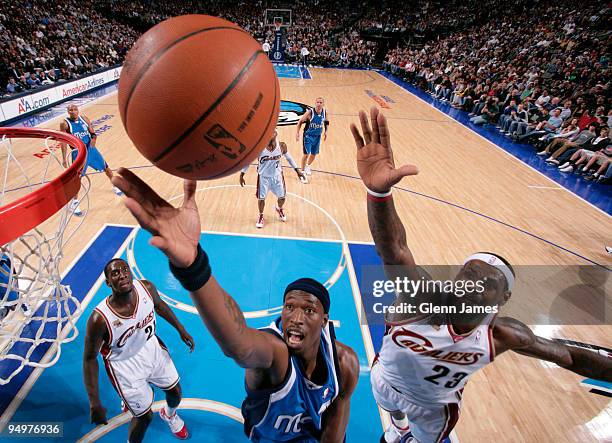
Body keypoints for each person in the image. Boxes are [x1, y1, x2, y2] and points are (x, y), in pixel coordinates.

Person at [350, 107, 612, 443]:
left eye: (489, 283)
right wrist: (379, 194)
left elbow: (571, 356)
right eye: (469, 275)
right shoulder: (423, 301)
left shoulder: (504, 335)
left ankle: (404, 434)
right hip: (386, 378)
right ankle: (398, 424)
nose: (473, 286)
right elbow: (394, 249)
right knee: (390, 408)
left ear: (503, 299)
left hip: (434, 408)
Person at [111, 169, 359, 442]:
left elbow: (336, 427)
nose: (295, 317)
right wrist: (194, 268)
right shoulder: (274, 353)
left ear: (325, 321)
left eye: (309, 310)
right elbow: (239, 343)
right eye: (289, 307)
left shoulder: (344, 363)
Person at [83, 259, 195, 442]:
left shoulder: (146, 288)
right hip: (124, 366)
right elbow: (89, 359)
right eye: (115, 273)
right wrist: (94, 402)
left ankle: (169, 415)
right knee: (144, 417)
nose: (122, 274)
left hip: (151, 349)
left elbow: (159, 306)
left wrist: (180, 329)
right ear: (108, 282)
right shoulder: (99, 319)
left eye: (125, 269)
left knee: (175, 392)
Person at [60, 104, 122, 216]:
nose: (73, 111)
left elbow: (93, 133)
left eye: (75, 109)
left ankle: (115, 185)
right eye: (71, 110)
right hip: (78, 153)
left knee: (106, 168)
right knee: (77, 179)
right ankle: (74, 202)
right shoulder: (64, 124)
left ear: (78, 110)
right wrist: (64, 158)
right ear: (68, 112)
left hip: (91, 150)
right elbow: (63, 142)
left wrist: (94, 138)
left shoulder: (84, 119)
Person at [240, 130, 305, 228]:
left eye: (273, 133)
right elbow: (248, 161)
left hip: (277, 176)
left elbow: (289, 159)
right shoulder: (259, 148)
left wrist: (297, 171)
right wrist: (242, 174)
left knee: (282, 197)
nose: (271, 134)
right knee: (261, 199)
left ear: (276, 135)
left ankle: (279, 208)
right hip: (263, 177)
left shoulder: (282, 146)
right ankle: (261, 216)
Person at [296, 97, 329, 177]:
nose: (319, 104)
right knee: (306, 154)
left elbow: (326, 122)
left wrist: (326, 131)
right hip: (308, 136)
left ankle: (307, 166)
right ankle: (302, 171)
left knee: (314, 154)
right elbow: (300, 122)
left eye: (321, 102)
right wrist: (297, 133)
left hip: (317, 136)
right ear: (315, 103)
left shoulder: (325, 112)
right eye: (317, 102)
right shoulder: (310, 113)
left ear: (323, 104)